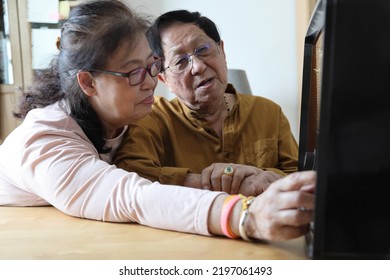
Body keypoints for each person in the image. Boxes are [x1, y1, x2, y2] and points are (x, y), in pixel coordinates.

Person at [0, 0, 315, 242]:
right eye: (133, 72)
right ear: (88, 82)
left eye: (151, 66)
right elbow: (133, 195)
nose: (151, 82)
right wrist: (248, 216)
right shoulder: (45, 140)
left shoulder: (125, 121)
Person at [114, 10, 298, 196]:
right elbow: (128, 175)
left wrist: (260, 176)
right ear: (164, 80)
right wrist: (204, 182)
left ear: (222, 52)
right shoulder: (152, 118)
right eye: (180, 62)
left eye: (203, 50)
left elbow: (301, 176)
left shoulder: (268, 112)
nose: (198, 66)